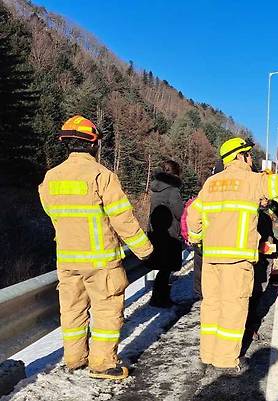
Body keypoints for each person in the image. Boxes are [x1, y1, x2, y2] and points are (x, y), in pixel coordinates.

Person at [186, 137, 278, 373]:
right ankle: (226, 360)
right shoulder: (251, 180)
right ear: (239, 156)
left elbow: (193, 217)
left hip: (211, 259)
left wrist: (197, 239)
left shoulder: (210, 183)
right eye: (248, 154)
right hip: (237, 260)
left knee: (211, 307)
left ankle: (207, 354)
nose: (251, 158)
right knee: (233, 309)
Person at [38, 115, 153, 380]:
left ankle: (75, 357)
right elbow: (123, 219)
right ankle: (102, 364)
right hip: (101, 261)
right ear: (93, 144)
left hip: (67, 260)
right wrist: (145, 251)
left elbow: (51, 212)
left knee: (72, 310)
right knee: (106, 311)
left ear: (66, 143)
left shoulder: (50, 177)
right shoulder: (102, 175)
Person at [147, 160, 184, 308]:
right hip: (169, 234)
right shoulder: (173, 190)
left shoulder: (156, 188)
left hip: (156, 233)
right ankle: (160, 299)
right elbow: (179, 212)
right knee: (166, 267)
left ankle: (158, 297)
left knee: (163, 267)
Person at [245, 198, 278, 341]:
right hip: (259, 262)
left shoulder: (246, 215)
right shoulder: (264, 219)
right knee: (254, 297)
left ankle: (246, 328)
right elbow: (269, 242)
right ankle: (249, 329)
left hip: (243, 262)